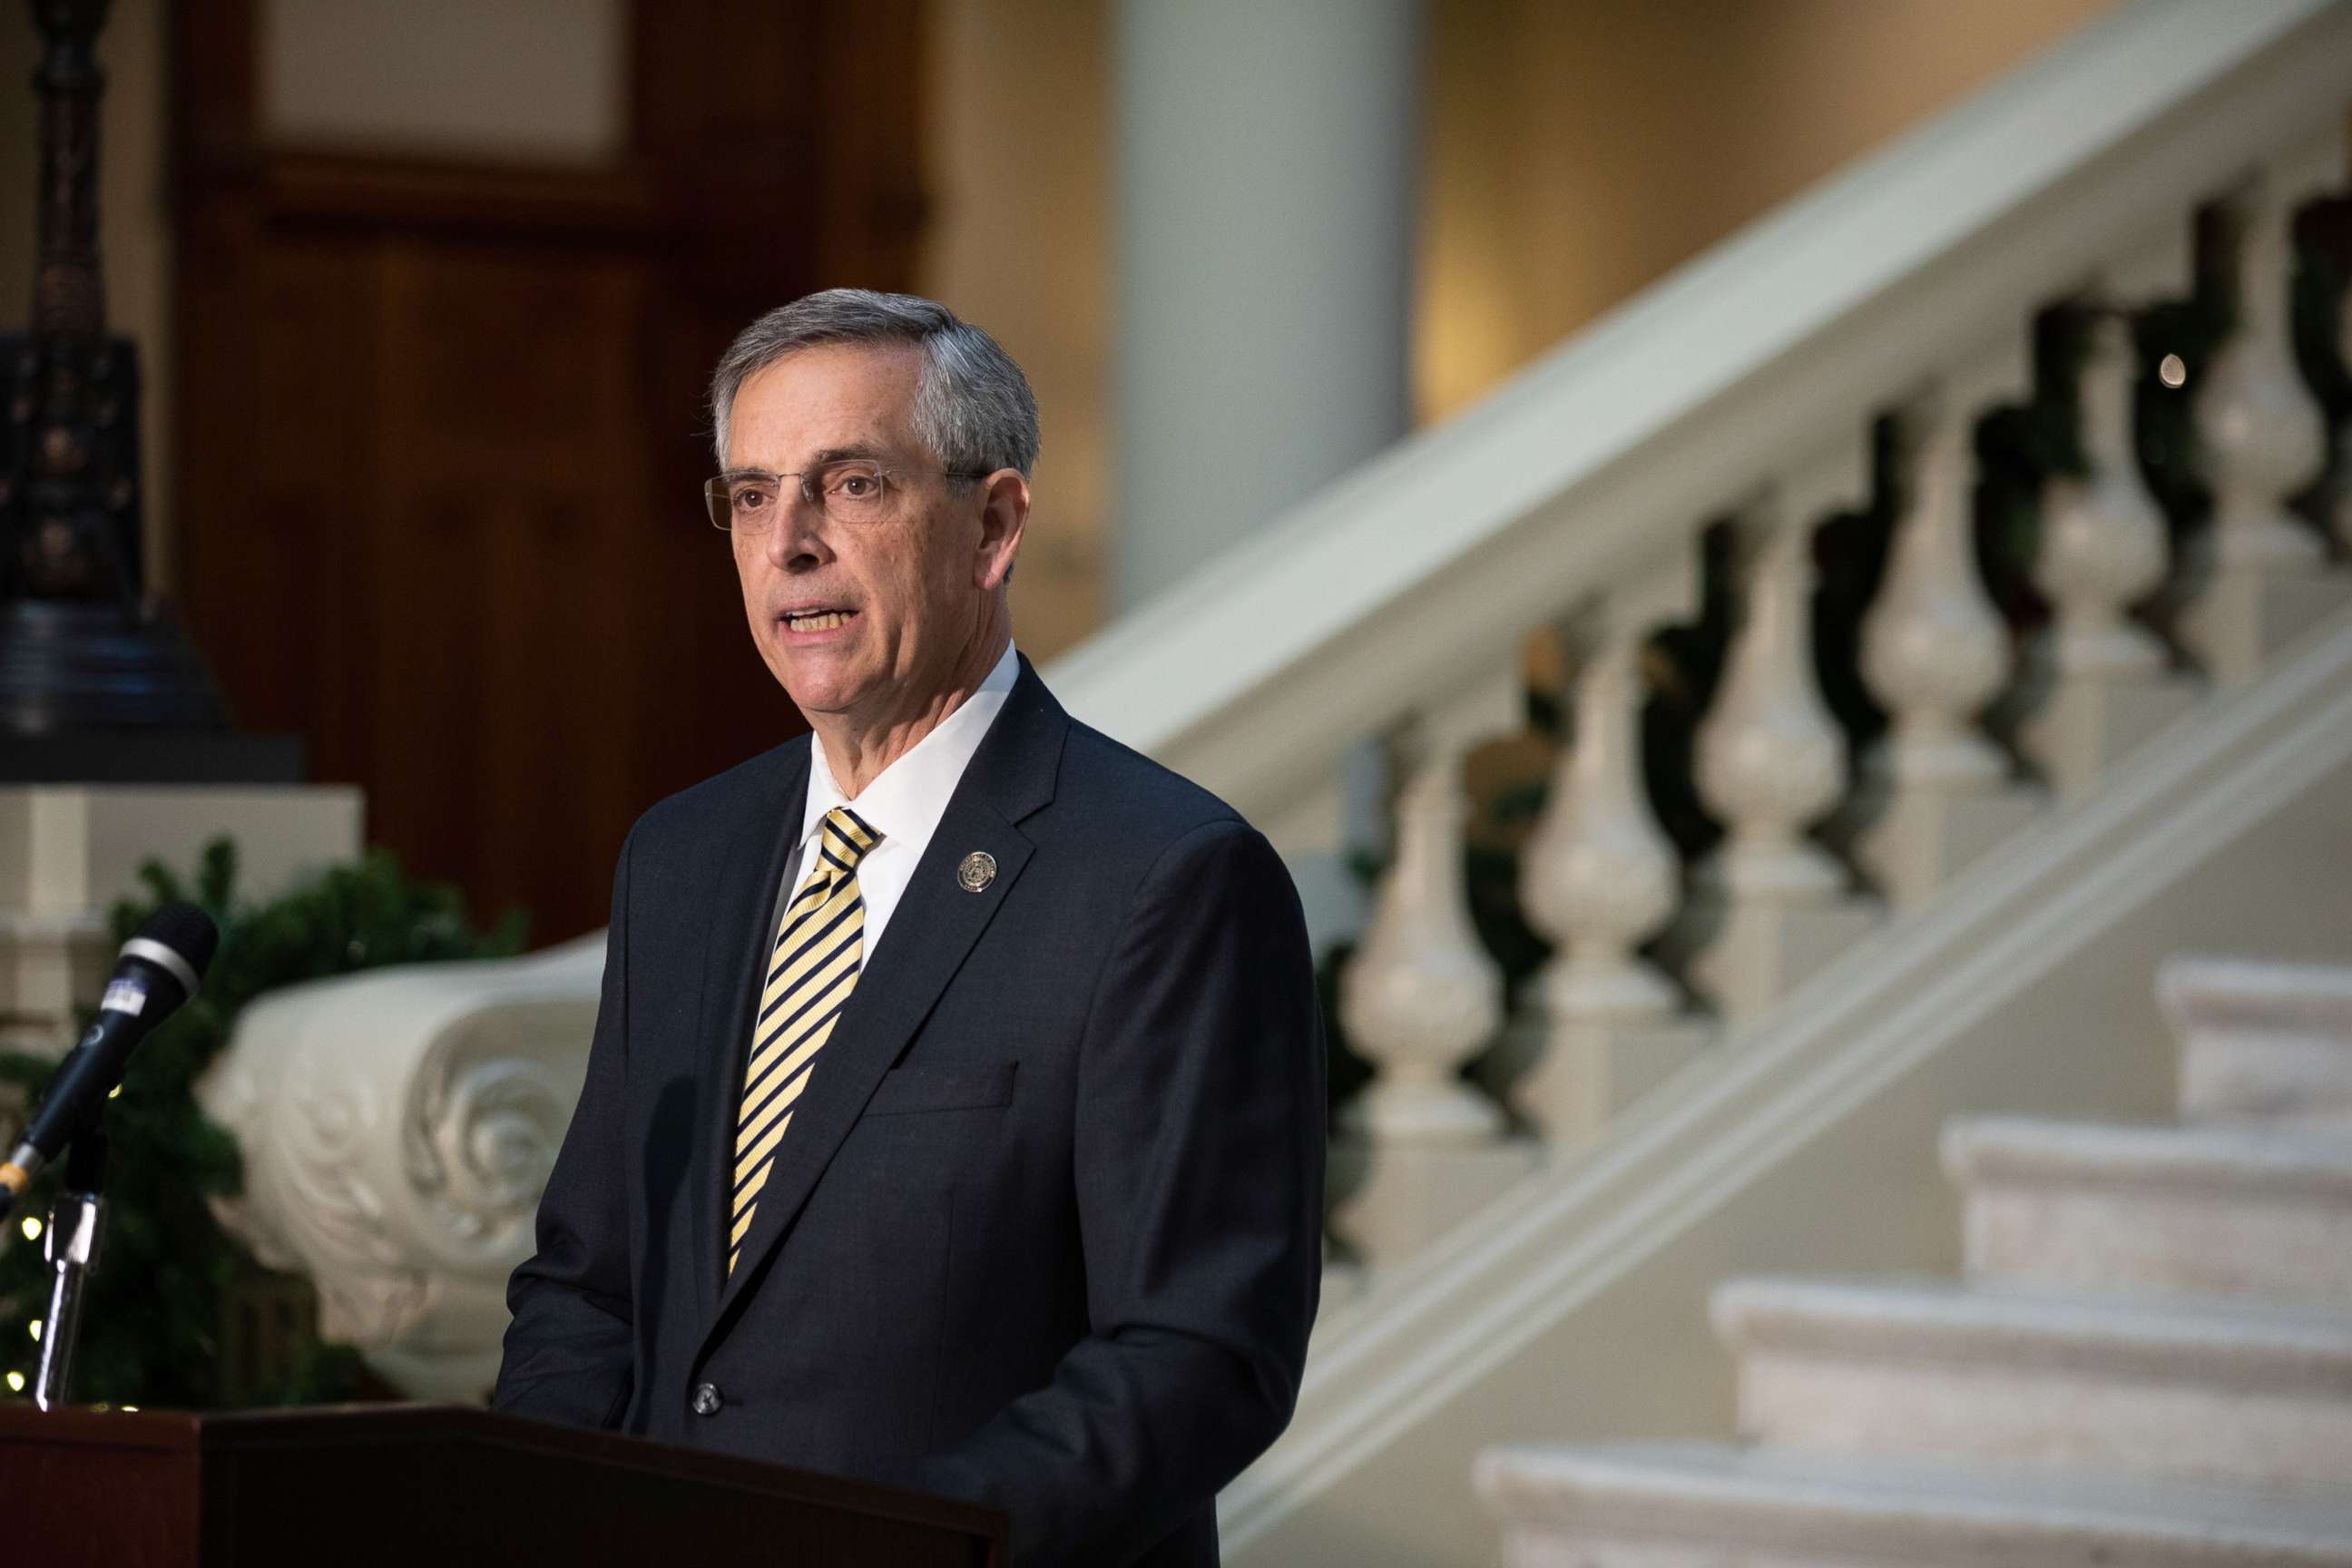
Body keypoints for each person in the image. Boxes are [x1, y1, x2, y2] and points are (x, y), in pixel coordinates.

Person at [493, 289, 1326, 1568]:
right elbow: (588, 1287)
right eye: (754, 494)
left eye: (854, 484)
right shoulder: (682, 858)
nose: (792, 544)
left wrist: (910, 1548)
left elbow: (1197, 1353)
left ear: (993, 525)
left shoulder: (1166, 881)